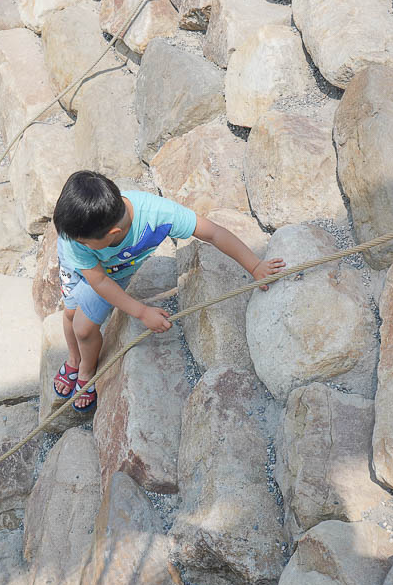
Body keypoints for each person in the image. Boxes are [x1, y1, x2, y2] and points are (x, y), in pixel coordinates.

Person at [51, 170, 286, 412]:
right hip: (81, 266)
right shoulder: (73, 241)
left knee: (82, 328)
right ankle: (74, 359)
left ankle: (86, 371)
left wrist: (255, 265)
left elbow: (213, 233)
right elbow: (93, 274)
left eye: (82, 241)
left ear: (113, 234)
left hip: (110, 274)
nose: (70, 239)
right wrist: (142, 312)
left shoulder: (157, 214)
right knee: (69, 313)